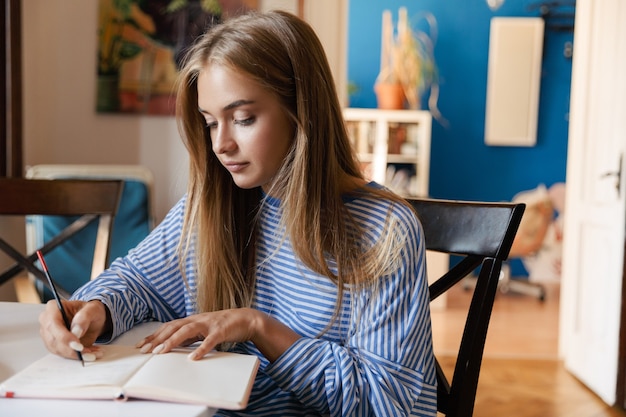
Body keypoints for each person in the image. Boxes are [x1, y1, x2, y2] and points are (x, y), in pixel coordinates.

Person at [39, 10, 437, 416]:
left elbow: (388, 405)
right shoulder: (217, 203)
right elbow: (138, 281)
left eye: (243, 119)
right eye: (211, 123)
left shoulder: (384, 229)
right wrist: (92, 308)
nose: (221, 144)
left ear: (302, 112)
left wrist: (258, 327)